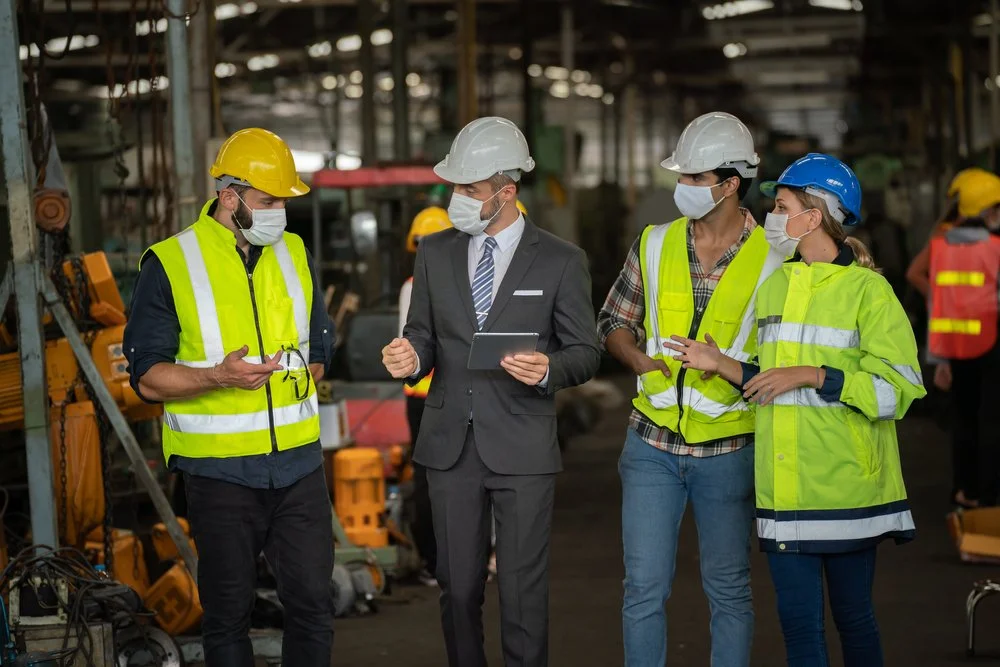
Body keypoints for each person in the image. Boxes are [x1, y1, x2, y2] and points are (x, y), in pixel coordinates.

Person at [665, 153, 926, 667]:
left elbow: (901, 389)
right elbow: (768, 376)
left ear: (816, 214)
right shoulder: (777, 285)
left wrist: (815, 375)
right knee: (799, 630)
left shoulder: (869, 292)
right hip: (784, 489)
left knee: (854, 619)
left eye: (782, 206)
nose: (773, 218)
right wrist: (720, 364)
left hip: (846, 488)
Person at [381, 116, 600, 667]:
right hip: (451, 445)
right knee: (456, 590)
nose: (457, 198)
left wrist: (548, 367)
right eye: (455, 187)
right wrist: (410, 358)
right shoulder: (434, 252)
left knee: (523, 593)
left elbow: (586, 352)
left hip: (523, 444)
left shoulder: (560, 260)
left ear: (506, 191)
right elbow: (423, 336)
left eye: (469, 189)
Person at [123, 128, 335, 667]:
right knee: (227, 616)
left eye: (284, 201)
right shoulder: (170, 263)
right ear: (229, 196)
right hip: (220, 474)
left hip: (299, 465)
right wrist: (219, 377)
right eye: (268, 201)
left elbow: (318, 335)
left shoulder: (293, 251)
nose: (279, 212)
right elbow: (147, 377)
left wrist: (316, 363)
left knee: (313, 604)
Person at [598, 111, 783, 667]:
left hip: (729, 450)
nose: (683, 188)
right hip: (650, 446)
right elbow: (613, 321)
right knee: (642, 591)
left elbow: (787, 361)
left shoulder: (778, 260)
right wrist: (638, 357)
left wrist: (724, 365)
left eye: (696, 179)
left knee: (728, 591)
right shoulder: (654, 243)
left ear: (731, 184)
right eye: (682, 177)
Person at [924, 168, 1000, 508]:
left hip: (960, 345)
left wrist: (939, 357)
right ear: (989, 210)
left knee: (966, 419)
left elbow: (941, 301)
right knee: (991, 420)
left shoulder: (945, 246)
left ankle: (966, 491)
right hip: (994, 343)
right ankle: (988, 496)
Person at [399, 205, 454, 586]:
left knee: (431, 480)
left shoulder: (411, 286)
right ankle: (443, 563)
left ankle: (437, 565)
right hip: (437, 395)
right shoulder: (442, 284)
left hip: (422, 397)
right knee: (445, 479)